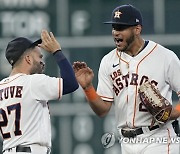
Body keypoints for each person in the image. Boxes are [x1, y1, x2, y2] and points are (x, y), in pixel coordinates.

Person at [73, 4, 180, 154]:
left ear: (137, 29)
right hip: (127, 143)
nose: (116, 32)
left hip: (159, 138)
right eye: (114, 27)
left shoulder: (165, 57)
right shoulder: (108, 61)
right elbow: (102, 110)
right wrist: (88, 88)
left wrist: (175, 112)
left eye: (121, 28)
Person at [0, 30, 79, 154]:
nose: (42, 62)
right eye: (39, 57)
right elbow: (71, 84)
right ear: (28, 59)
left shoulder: (1, 87)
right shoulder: (32, 82)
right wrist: (57, 51)